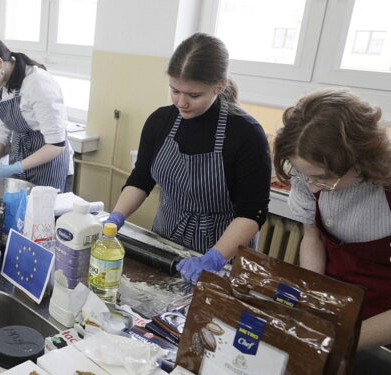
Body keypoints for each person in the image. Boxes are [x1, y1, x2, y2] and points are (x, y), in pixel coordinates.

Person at [106, 33, 271, 284]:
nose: (181, 103)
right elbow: (141, 179)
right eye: (174, 90)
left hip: (222, 247)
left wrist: (214, 258)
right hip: (166, 237)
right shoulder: (160, 121)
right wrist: (116, 217)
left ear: (221, 86)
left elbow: (252, 213)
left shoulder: (246, 133)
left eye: (194, 95)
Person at [272, 89, 391, 351]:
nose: (313, 188)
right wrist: (310, 298)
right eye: (306, 177)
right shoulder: (308, 175)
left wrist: (340, 343)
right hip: (335, 301)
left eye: (324, 178)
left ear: (359, 162)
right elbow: (312, 237)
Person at [0, 34, 74, 192]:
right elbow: (1, 131)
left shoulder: (38, 83)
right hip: (20, 160)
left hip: (48, 165)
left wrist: (16, 167)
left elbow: (56, 145)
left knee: (42, 213)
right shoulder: (0, 83)